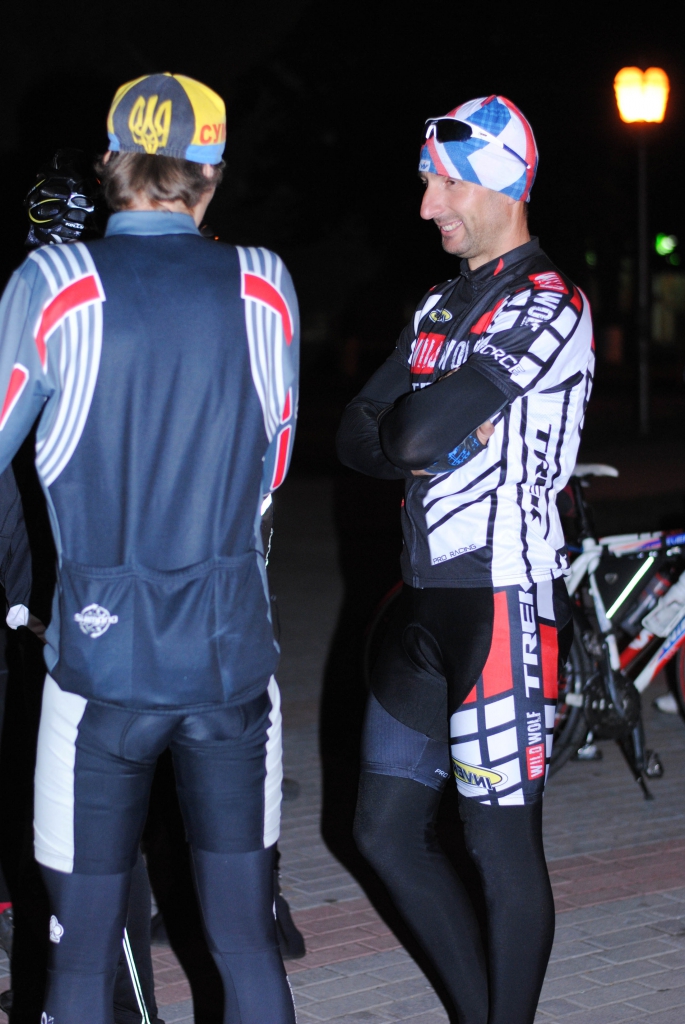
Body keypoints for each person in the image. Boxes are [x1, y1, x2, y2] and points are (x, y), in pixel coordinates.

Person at [0, 72, 299, 1024]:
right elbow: (273, 468)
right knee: (247, 949)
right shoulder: (265, 280)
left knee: (79, 962)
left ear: (109, 162)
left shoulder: (54, 281)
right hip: (230, 659)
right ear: (211, 173)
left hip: (99, 670)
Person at [337, 95, 594, 1024]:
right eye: (424, 183)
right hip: (418, 606)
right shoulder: (438, 303)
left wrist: (416, 426)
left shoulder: (550, 302)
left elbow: (405, 436)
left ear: (501, 183)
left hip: (500, 605)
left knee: (498, 849)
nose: (426, 206)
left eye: (443, 184)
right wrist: (426, 427)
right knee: (381, 831)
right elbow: (356, 435)